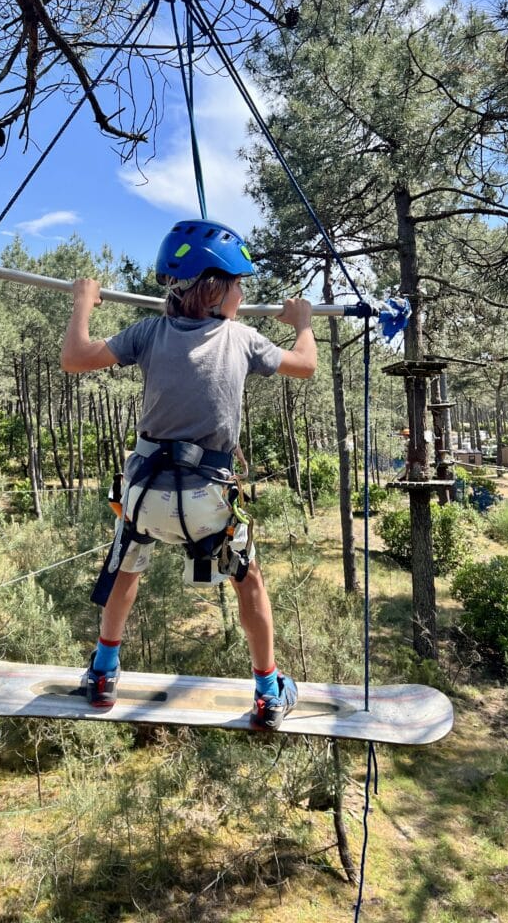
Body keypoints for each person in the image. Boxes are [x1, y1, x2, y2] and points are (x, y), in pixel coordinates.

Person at [60, 219, 317, 730]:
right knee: (249, 583)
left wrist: (84, 301)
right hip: (207, 502)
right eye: (238, 285)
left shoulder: (147, 332)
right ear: (213, 288)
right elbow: (305, 365)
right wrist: (303, 322)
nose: (243, 295)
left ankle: (104, 673)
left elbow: (74, 358)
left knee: (126, 566)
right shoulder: (243, 338)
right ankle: (268, 691)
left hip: (146, 497)